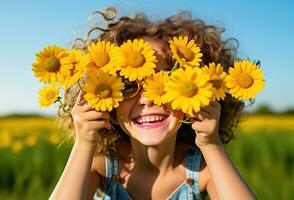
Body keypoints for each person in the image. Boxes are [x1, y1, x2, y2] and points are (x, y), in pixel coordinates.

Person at [49, 8, 256, 200]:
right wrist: (84, 143)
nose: (147, 97)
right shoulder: (100, 166)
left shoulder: (202, 170)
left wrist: (211, 144)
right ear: (107, 103)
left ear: (194, 93)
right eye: (129, 85)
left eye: (164, 82)